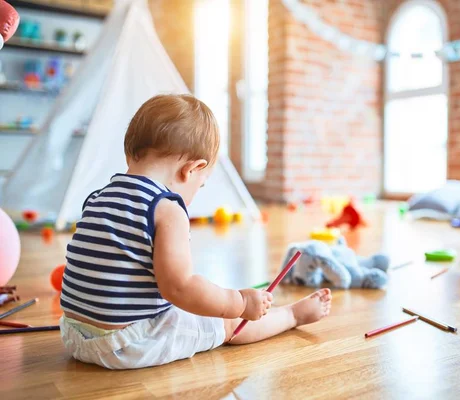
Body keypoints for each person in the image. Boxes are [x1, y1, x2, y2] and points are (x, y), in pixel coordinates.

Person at [59, 94, 332, 369]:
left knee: (199, 301)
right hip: (125, 344)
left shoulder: (97, 197)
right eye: (200, 186)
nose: (194, 196)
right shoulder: (165, 208)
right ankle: (292, 316)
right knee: (225, 320)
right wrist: (239, 303)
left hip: (74, 335)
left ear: (130, 152)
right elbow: (179, 287)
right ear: (192, 169)